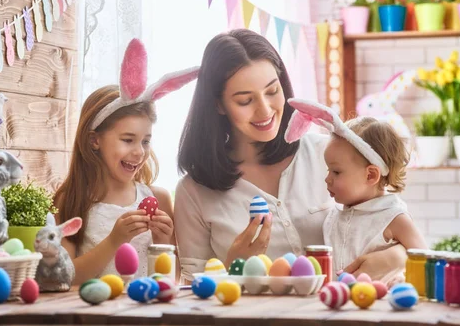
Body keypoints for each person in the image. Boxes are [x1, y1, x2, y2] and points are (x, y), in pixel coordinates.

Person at [174, 29, 407, 284]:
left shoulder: (327, 154)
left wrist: (394, 258)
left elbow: (396, 225)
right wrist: (234, 266)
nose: (265, 110)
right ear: (218, 104)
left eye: (272, 91)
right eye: (244, 100)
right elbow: (190, 291)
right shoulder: (194, 190)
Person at [55, 39, 199, 284]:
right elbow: (64, 278)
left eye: (145, 141)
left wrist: (164, 242)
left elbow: (171, 281)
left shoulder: (159, 199)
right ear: (94, 141)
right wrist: (114, 240)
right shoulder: (70, 200)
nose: (139, 152)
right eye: (127, 140)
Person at [285, 99, 427, 281]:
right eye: (329, 170)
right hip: (340, 302)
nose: (327, 179)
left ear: (370, 176)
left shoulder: (393, 217)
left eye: (336, 172)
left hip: (381, 303)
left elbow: (425, 258)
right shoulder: (334, 215)